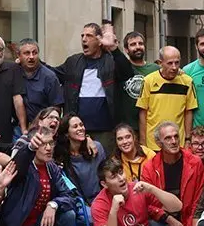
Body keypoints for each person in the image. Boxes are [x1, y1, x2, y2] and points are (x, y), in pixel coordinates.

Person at [51, 24, 124, 152]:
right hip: (77, 128)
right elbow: (52, 74)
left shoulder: (111, 61)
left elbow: (127, 73)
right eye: (82, 36)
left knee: (105, 166)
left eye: (89, 36)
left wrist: (114, 49)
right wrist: (36, 63)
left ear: (99, 41)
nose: (84, 39)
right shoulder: (73, 62)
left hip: (105, 129)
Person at [140, 122, 204, 226]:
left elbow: (199, 202)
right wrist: (168, 219)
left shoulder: (195, 163)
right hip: (164, 220)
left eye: (176, 136)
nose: (174, 141)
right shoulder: (150, 167)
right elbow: (147, 203)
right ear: (159, 143)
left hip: (188, 219)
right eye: (168, 138)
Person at [137, 46, 198, 151]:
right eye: (170, 63)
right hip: (153, 144)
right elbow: (143, 112)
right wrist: (143, 142)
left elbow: (189, 112)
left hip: (178, 142)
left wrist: (188, 139)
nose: (174, 67)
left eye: (177, 63)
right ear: (160, 63)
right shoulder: (148, 81)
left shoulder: (187, 81)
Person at [54, 114, 107, 202]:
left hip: (102, 200)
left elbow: (106, 174)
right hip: (79, 203)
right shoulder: (61, 156)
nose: (80, 128)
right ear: (67, 133)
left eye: (81, 125)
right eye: (75, 126)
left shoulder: (96, 147)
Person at [115, 32, 159, 133]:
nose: (138, 47)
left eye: (140, 43)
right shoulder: (120, 68)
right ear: (126, 49)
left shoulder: (155, 69)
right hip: (127, 127)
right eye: (133, 44)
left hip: (151, 126)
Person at [16, 39, 64, 125]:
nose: (31, 57)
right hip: (17, 128)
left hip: (41, 128)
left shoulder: (49, 77)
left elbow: (56, 108)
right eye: (27, 53)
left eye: (34, 53)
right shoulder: (13, 73)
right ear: (19, 56)